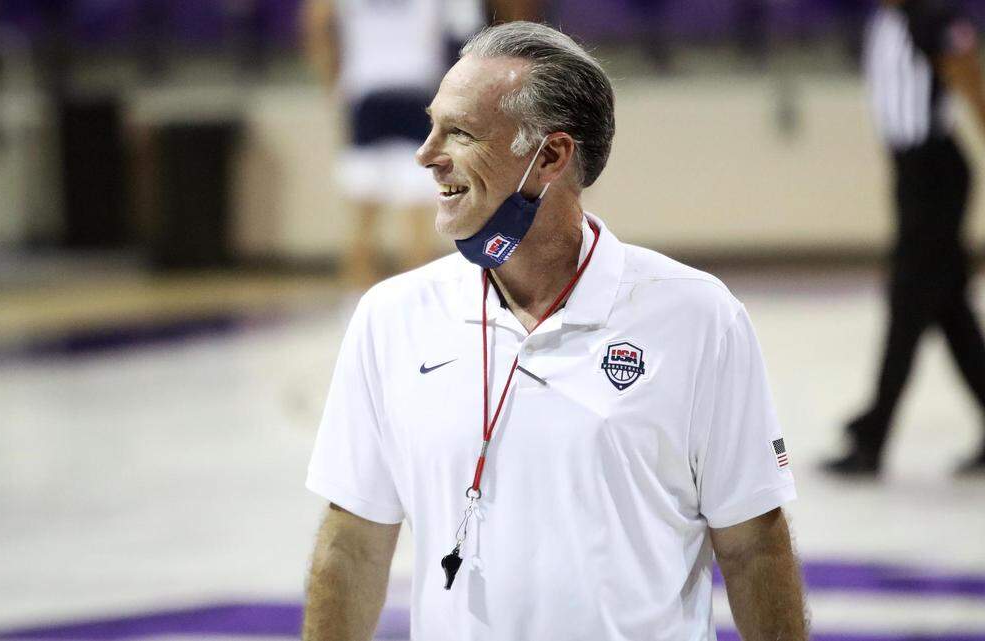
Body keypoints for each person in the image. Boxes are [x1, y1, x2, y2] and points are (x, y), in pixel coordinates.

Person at [302, 22, 808, 641]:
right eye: (432, 125)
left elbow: (755, 546)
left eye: (459, 133)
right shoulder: (391, 317)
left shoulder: (698, 318)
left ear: (550, 156)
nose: (425, 154)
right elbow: (352, 543)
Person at [824, 0, 985, 477]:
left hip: (936, 174)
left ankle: (873, 436)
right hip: (913, 175)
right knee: (951, 310)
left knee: (908, 301)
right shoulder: (884, 21)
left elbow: (977, 92)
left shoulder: (934, 19)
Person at [305, 0, 482, 290]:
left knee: (363, 214)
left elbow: (316, 19)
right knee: (416, 214)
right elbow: (469, 33)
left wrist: (329, 75)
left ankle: (355, 299)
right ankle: (419, 300)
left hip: (366, 89)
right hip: (416, 88)